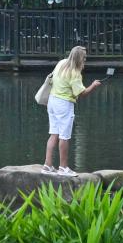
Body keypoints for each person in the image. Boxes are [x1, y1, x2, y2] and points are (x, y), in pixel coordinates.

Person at [42, 46, 101, 176]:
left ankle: (47, 165)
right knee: (64, 136)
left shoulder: (61, 63)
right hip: (64, 104)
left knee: (54, 134)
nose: (85, 60)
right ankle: (63, 168)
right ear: (79, 58)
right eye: (84, 57)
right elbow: (82, 93)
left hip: (52, 101)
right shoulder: (75, 73)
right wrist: (93, 85)